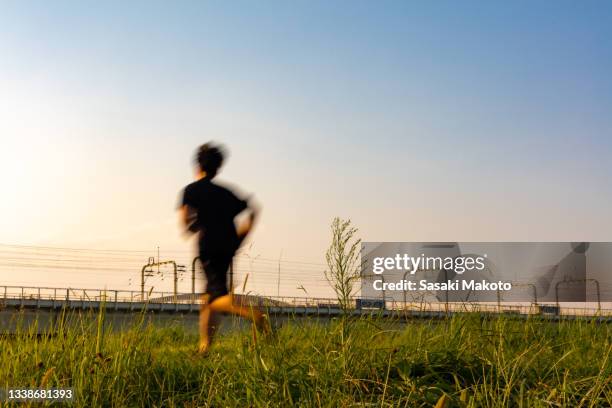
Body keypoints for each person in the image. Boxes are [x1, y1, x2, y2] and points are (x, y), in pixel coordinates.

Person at [179, 142, 269, 354]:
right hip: (228, 246)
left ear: (197, 166)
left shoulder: (191, 190)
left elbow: (185, 225)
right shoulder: (226, 192)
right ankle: (204, 349)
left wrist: (195, 225)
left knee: (218, 299)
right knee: (209, 297)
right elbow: (254, 208)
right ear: (218, 167)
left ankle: (255, 314)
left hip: (208, 247)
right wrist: (240, 237)